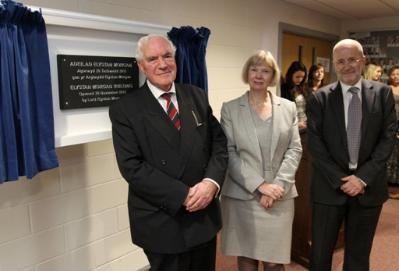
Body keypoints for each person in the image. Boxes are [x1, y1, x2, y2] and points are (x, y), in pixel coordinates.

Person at [109, 34, 228, 271]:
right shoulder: (125, 108)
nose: (162, 64)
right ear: (141, 66)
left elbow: (219, 144)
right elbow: (132, 167)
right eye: (152, 59)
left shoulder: (196, 95)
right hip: (162, 220)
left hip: (203, 214)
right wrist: (184, 195)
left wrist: (211, 183)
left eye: (167, 56)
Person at [306, 39, 397, 271]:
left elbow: (387, 139)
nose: (347, 66)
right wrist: (342, 180)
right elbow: (315, 144)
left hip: (369, 188)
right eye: (341, 61)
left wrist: (362, 178)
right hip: (328, 188)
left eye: (352, 60)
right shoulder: (320, 98)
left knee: (358, 256)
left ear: (363, 61)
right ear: (335, 65)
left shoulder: (383, 93)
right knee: (320, 255)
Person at [220, 50, 302, 271]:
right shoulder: (230, 108)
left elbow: (294, 149)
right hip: (242, 196)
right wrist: (260, 186)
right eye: (254, 69)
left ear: (272, 76)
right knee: (247, 256)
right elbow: (229, 153)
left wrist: (276, 186)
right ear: (247, 73)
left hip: (279, 195)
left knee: (275, 261)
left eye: (265, 70)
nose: (258, 75)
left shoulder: (288, 107)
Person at [280, 61, 308, 129]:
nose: (300, 79)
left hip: (304, 124)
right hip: (293, 126)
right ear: (291, 75)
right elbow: (283, 113)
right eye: (297, 77)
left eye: (302, 77)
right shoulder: (284, 89)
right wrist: (296, 124)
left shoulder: (302, 88)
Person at [386, 66, 399, 197]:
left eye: (398, 74)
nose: (396, 76)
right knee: (390, 154)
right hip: (391, 123)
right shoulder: (386, 89)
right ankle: (389, 182)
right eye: (393, 74)